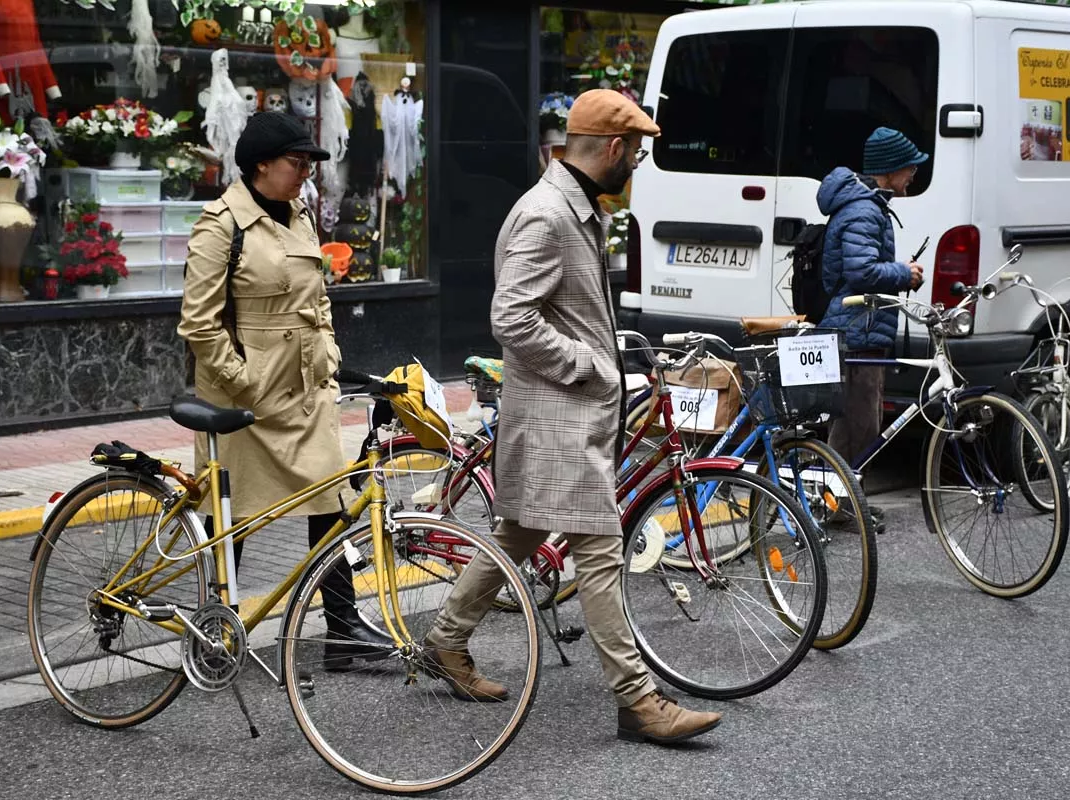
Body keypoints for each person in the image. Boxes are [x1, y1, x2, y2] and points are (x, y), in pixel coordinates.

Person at [421, 90, 722, 746]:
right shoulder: (548, 214)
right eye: (635, 154)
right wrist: (589, 365)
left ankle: (445, 640)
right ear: (611, 149)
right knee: (601, 548)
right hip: (562, 416)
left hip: (570, 416)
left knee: (519, 533)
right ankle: (638, 701)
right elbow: (512, 317)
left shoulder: (577, 209)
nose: (637, 165)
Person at [178, 112, 390, 671]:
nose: (304, 174)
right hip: (242, 399)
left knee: (331, 500)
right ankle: (215, 630)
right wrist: (244, 380)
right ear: (261, 165)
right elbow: (199, 325)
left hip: (304, 390)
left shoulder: (298, 217)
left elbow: (316, 298)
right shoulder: (220, 224)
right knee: (234, 512)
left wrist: (330, 353)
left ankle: (341, 628)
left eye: (307, 164)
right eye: (296, 164)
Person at [817, 127, 927, 526]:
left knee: (854, 423)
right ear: (891, 168)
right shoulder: (864, 209)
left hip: (860, 328)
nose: (914, 172)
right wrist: (903, 273)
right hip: (857, 329)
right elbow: (861, 270)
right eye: (910, 165)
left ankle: (843, 503)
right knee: (859, 423)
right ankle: (841, 505)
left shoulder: (865, 204)